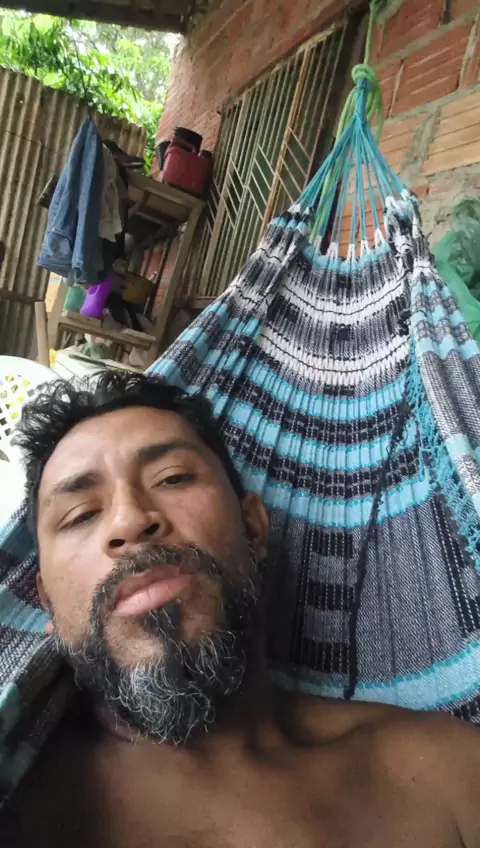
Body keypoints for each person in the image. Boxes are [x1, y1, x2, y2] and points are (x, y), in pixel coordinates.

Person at [1, 371, 479, 848]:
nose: (129, 520)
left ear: (253, 528)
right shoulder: (19, 797)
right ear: (47, 601)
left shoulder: (447, 775)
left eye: (172, 477)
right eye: (81, 514)